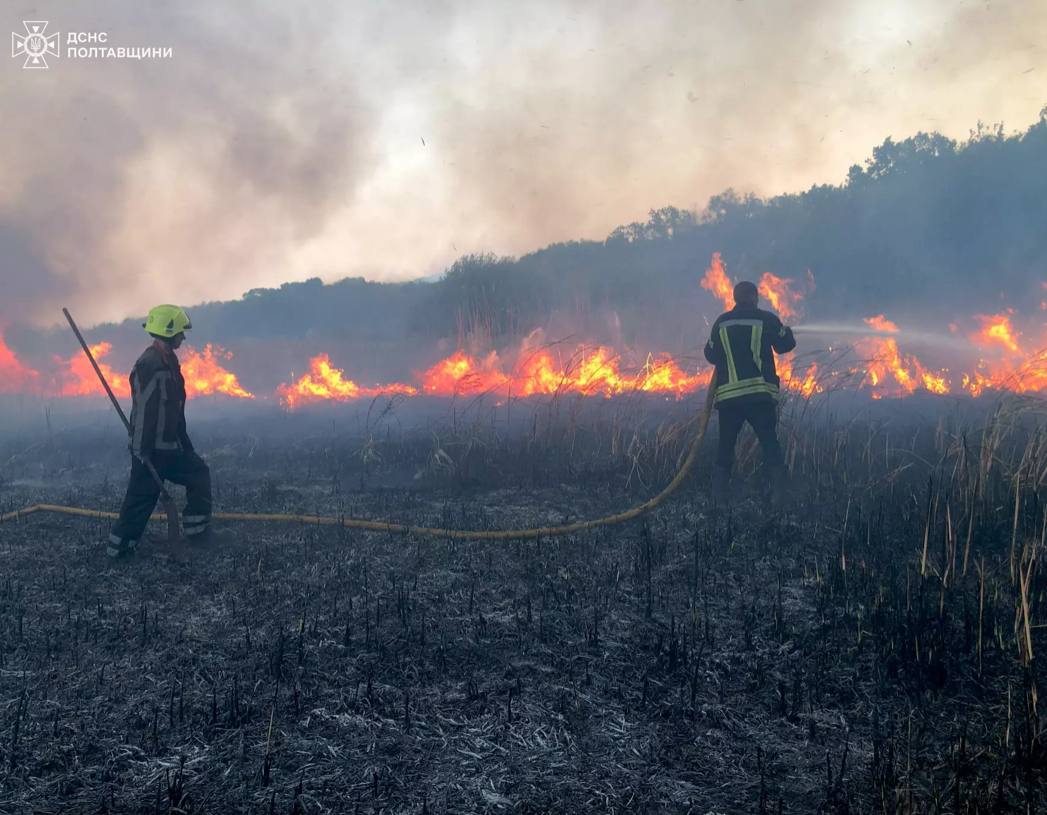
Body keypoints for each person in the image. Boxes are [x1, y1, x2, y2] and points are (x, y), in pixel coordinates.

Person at [107, 305, 213, 557]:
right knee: (140, 500)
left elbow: (175, 408)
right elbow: (144, 412)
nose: (183, 338)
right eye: (180, 333)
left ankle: (197, 532)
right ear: (168, 333)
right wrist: (141, 452)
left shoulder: (169, 362)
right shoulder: (149, 365)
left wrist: (185, 444)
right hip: (150, 450)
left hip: (171, 447)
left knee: (198, 473)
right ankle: (119, 549)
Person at [703, 280, 796, 502]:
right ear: (755, 297)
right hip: (759, 397)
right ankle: (779, 495)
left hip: (729, 400)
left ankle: (718, 496)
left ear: (735, 298)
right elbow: (785, 345)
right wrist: (787, 331)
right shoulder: (766, 319)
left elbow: (710, 355)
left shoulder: (722, 323)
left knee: (725, 446)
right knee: (769, 443)